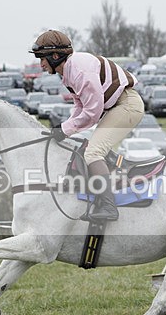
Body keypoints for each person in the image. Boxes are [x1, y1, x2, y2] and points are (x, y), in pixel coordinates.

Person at [30, 30, 144, 222]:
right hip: (118, 106)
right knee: (89, 148)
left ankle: (109, 207)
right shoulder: (69, 71)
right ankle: (110, 181)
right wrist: (63, 128)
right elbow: (80, 106)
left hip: (126, 105)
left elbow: (92, 113)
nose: (40, 64)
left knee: (93, 153)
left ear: (55, 56)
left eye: (42, 58)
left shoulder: (79, 70)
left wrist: (64, 130)